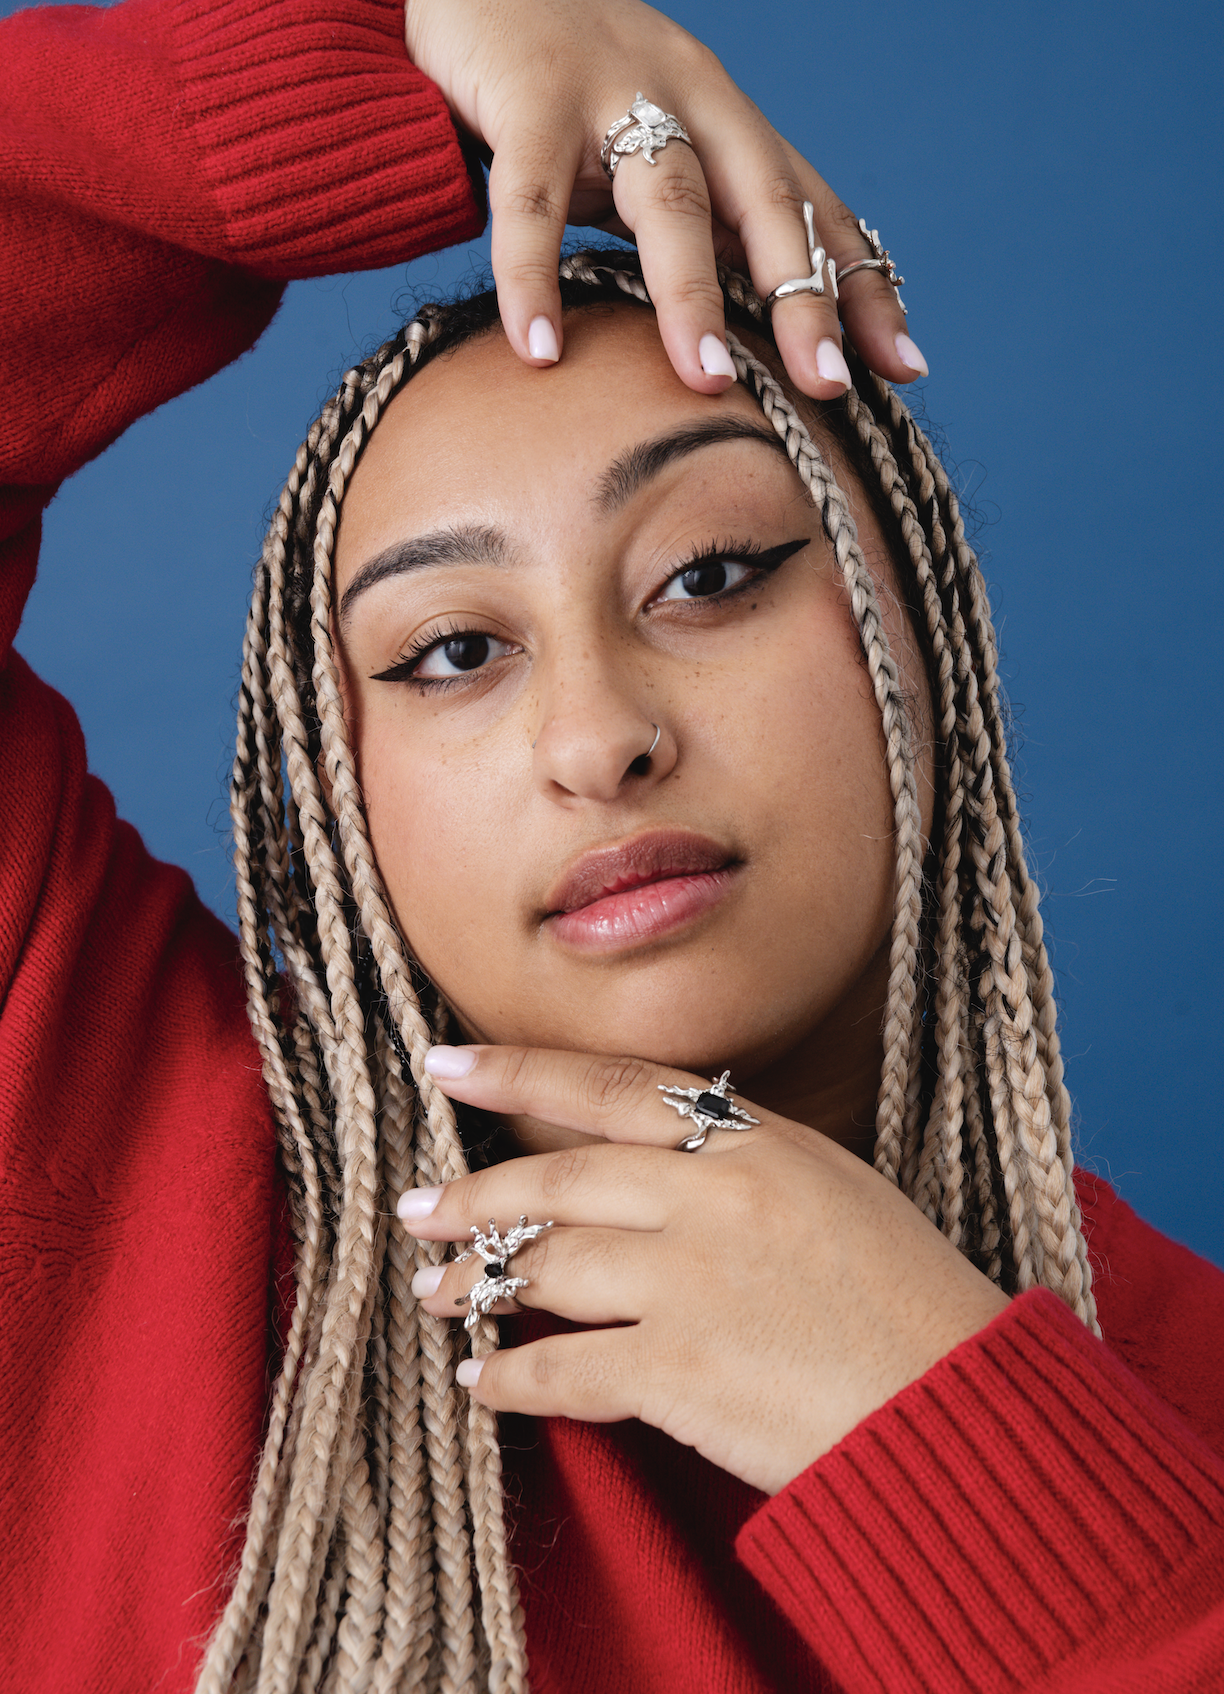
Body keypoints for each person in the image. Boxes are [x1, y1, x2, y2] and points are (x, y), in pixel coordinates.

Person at [1, 2, 1222, 1693]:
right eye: (450, 651)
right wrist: (417, 56)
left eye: (710, 573)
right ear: (331, 780)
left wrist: (945, 1434)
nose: (597, 739)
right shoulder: (94, 1140)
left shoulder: (1193, 1411)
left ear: (917, 633)